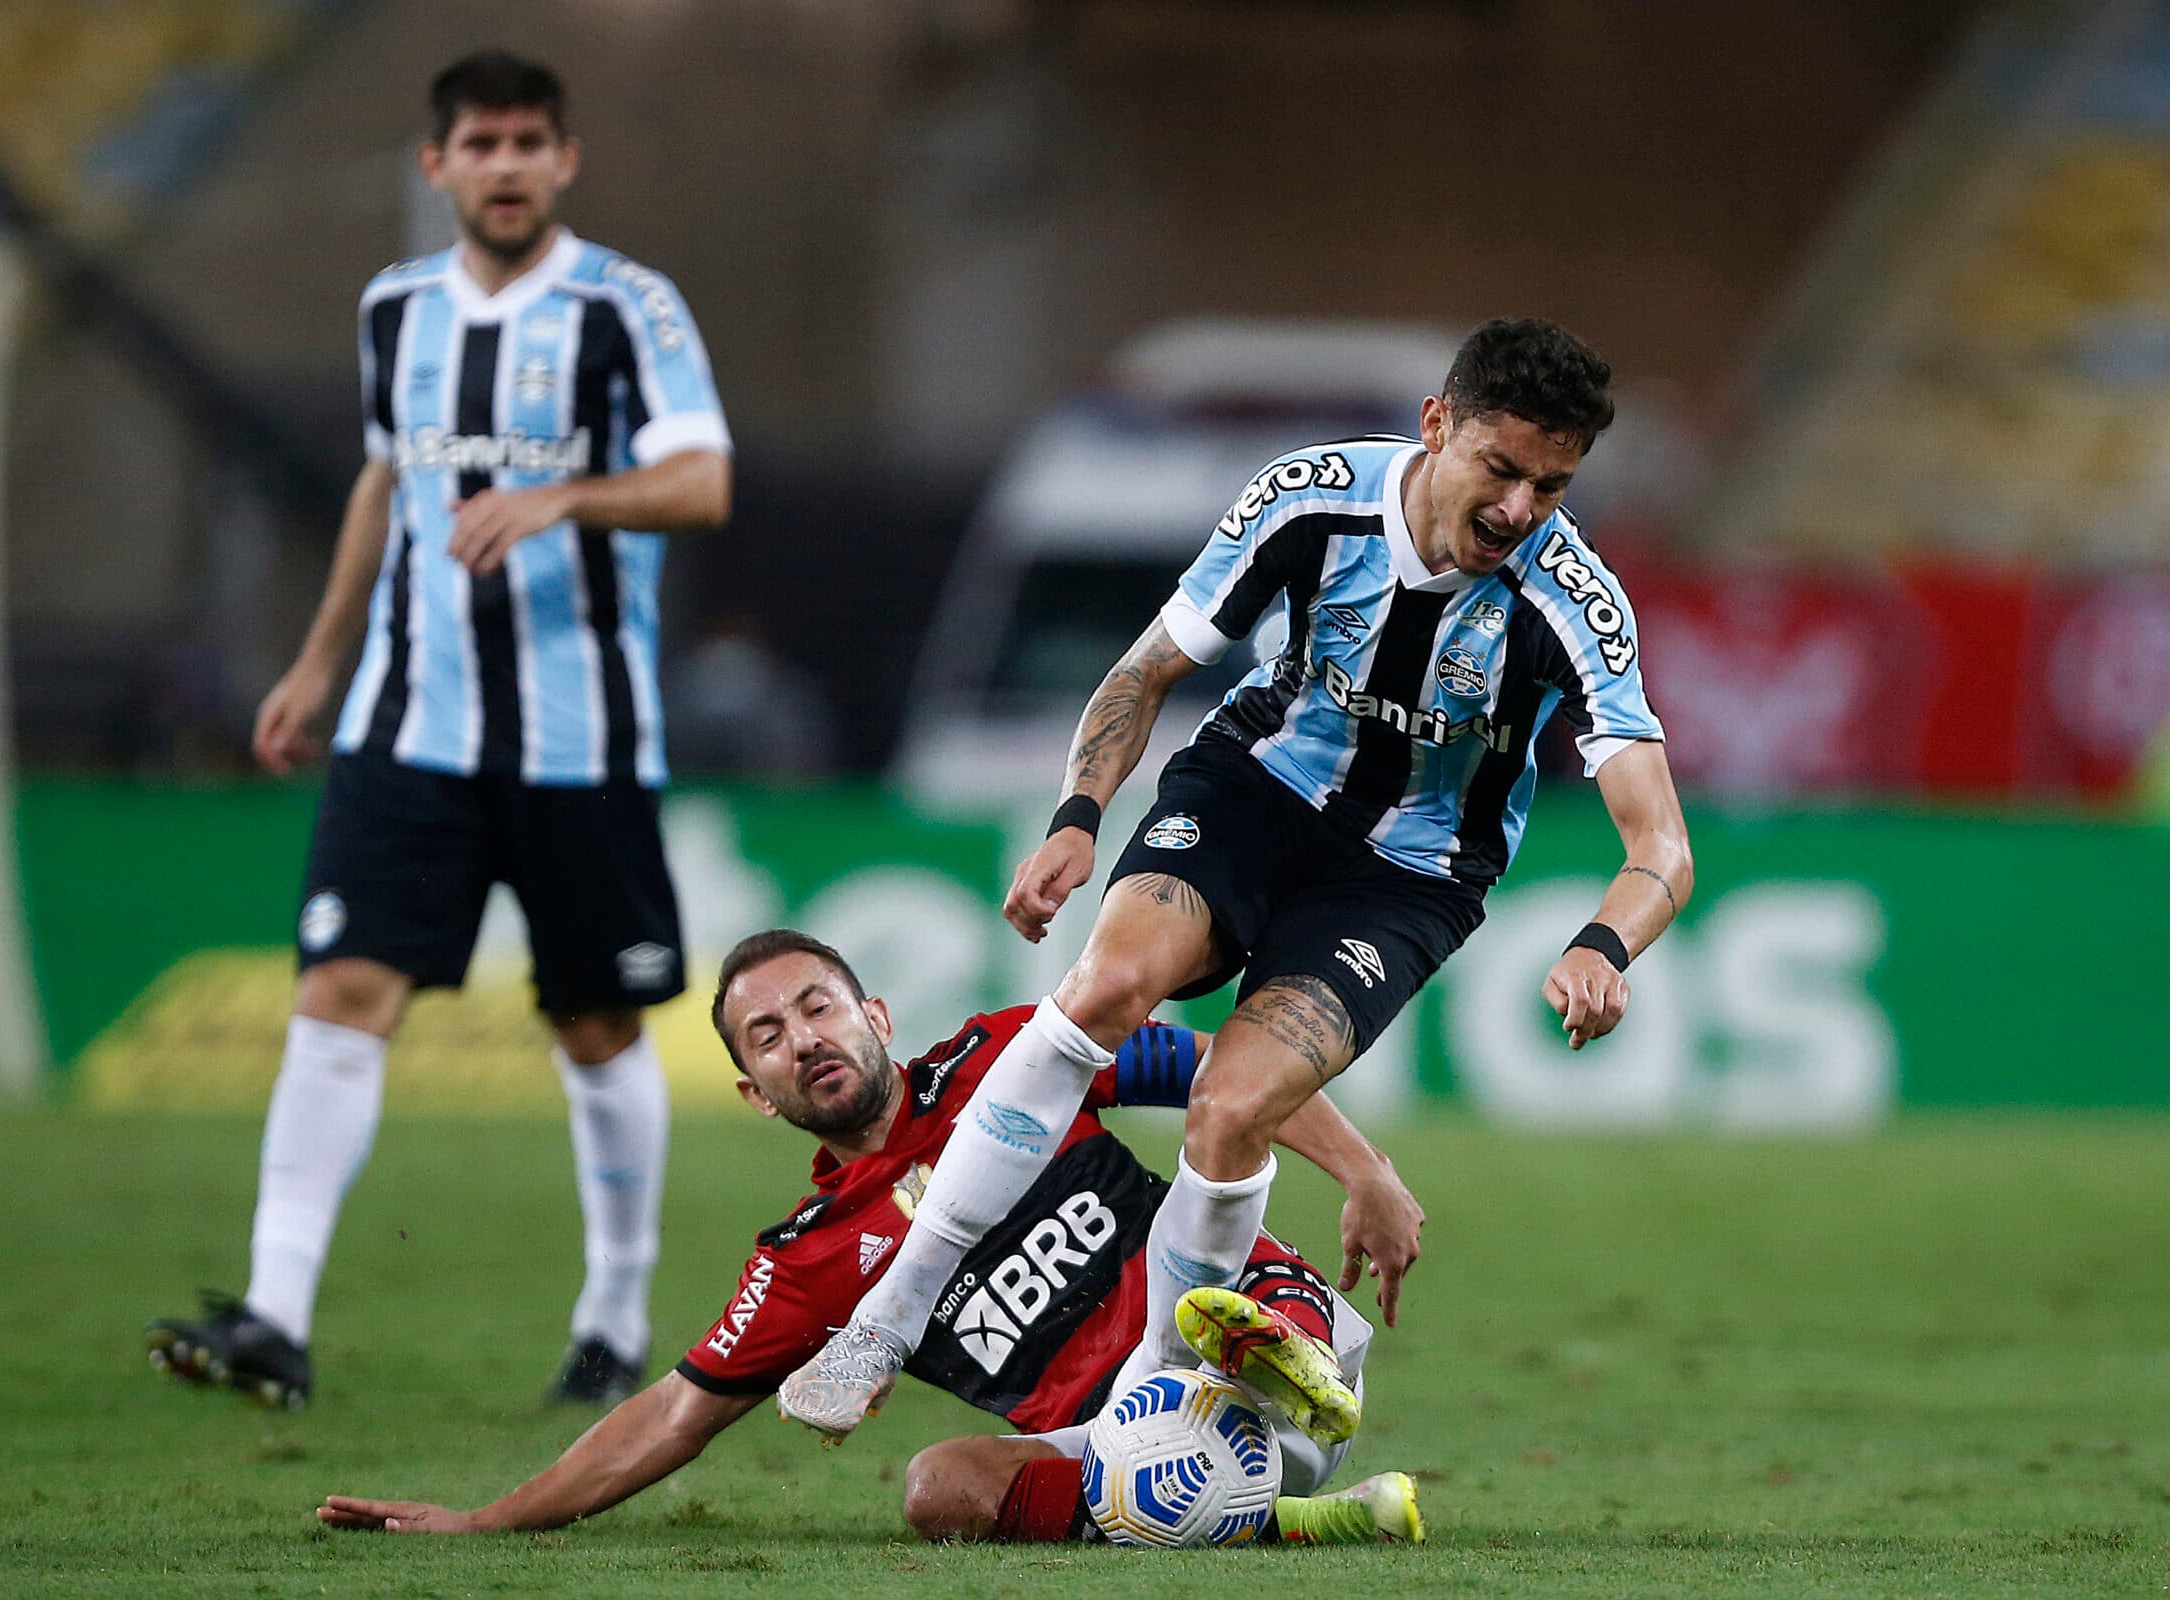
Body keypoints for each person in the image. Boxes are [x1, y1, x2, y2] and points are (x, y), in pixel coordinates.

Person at [781, 318, 1694, 1441]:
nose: (1518, 511)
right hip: (1254, 793)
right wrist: (1080, 815)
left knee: (1228, 1110)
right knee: (1108, 989)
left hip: (1404, 880)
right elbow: (1149, 666)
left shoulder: (1573, 603)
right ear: (1437, 425)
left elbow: (1662, 846)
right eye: (1501, 470)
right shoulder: (1310, 499)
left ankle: (1150, 1407)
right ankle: (891, 1312)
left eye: (1550, 487)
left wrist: (1604, 946)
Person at [144, 48, 733, 1409]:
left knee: (594, 1023)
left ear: (564, 159)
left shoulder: (627, 306)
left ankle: (615, 1317)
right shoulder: (394, 308)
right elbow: (384, 479)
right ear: (439, 166)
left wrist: (562, 498)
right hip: (407, 726)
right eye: (483, 143)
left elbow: (703, 481)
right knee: (340, 997)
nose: (508, 164)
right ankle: (276, 1321)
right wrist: (317, 657)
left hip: (580, 738)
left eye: (532, 140)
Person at [314, 930, 1427, 1546]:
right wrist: (479, 1519)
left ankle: (1282, 1350)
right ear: (754, 1091)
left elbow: (1218, 1068)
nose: (802, 1039)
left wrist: (1366, 1170)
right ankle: (1288, 1522)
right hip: (1137, 1452)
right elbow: (672, 1413)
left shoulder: (1010, 1059)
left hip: (1272, 1347)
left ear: (876, 1017)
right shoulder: (806, 1255)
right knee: (936, 1489)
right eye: (768, 1035)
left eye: (816, 1006)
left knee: (1208, 1256)